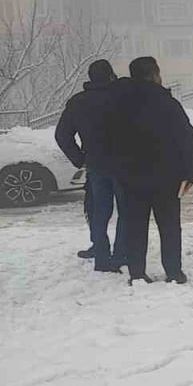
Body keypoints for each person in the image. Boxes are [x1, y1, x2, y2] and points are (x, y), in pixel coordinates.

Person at [104, 56, 193, 285]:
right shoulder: (167, 103)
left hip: (130, 178)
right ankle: (174, 272)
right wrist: (191, 173)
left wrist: (115, 169)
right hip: (167, 177)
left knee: (135, 226)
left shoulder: (117, 104)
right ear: (154, 74)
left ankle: (137, 273)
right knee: (169, 226)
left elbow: (106, 140)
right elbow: (187, 137)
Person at [55, 59, 127, 272]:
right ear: (111, 75)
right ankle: (120, 254)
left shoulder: (78, 102)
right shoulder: (122, 98)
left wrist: (80, 158)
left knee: (99, 212)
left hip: (95, 165)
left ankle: (101, 256)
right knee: (126, 211)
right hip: (124, 164)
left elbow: (62, 135)